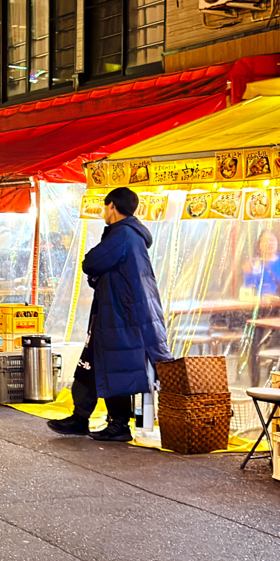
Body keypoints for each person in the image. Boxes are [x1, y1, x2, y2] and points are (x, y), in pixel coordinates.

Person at [47, 187, 174, 442]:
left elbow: (91, 262)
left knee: (116, 366)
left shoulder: (123, 234)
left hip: (120, 317)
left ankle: (117, 425)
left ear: (113, 206)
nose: (104, 213)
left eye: (106, 208)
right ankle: (81, 418)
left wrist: (98, 274)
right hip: (115, 314)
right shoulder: (132, 236)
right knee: (90, 364)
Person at [242, 229, 280, 300]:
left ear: (277, 242)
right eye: (264, 241)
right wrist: (247, 273)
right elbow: (248, 288)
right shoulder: (254, 263)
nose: (269, 243)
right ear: (259, 244)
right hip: (261, 305)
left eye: (272, 240)